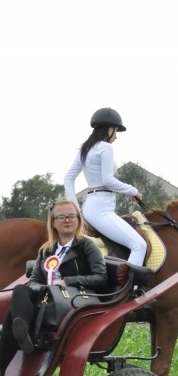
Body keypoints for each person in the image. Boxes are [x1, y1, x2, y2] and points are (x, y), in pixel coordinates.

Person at [0, 200, 106, 376]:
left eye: (71, 216)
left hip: (72, 301)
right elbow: (33, 280)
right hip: (48, 298)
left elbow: (101, 278)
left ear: (78, 220)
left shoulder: (87, 247)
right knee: (20, 290)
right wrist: (44, 289)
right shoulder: (47, 249)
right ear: (54, 222)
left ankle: (19, 336)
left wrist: (69, 281)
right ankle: (21, 333)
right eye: (61, 217)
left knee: (11, 318)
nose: (67, 220)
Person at [64, 107, 146, 266]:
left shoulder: (86, 149)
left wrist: (75, 207)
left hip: (92, 206)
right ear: (109, 128)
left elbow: (68, 178)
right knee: (139, 245)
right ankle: (130, 289)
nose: (116, 137)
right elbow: (107, 180)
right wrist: (133, 190)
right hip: (101, 210)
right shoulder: (106, 147)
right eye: (116, 132)